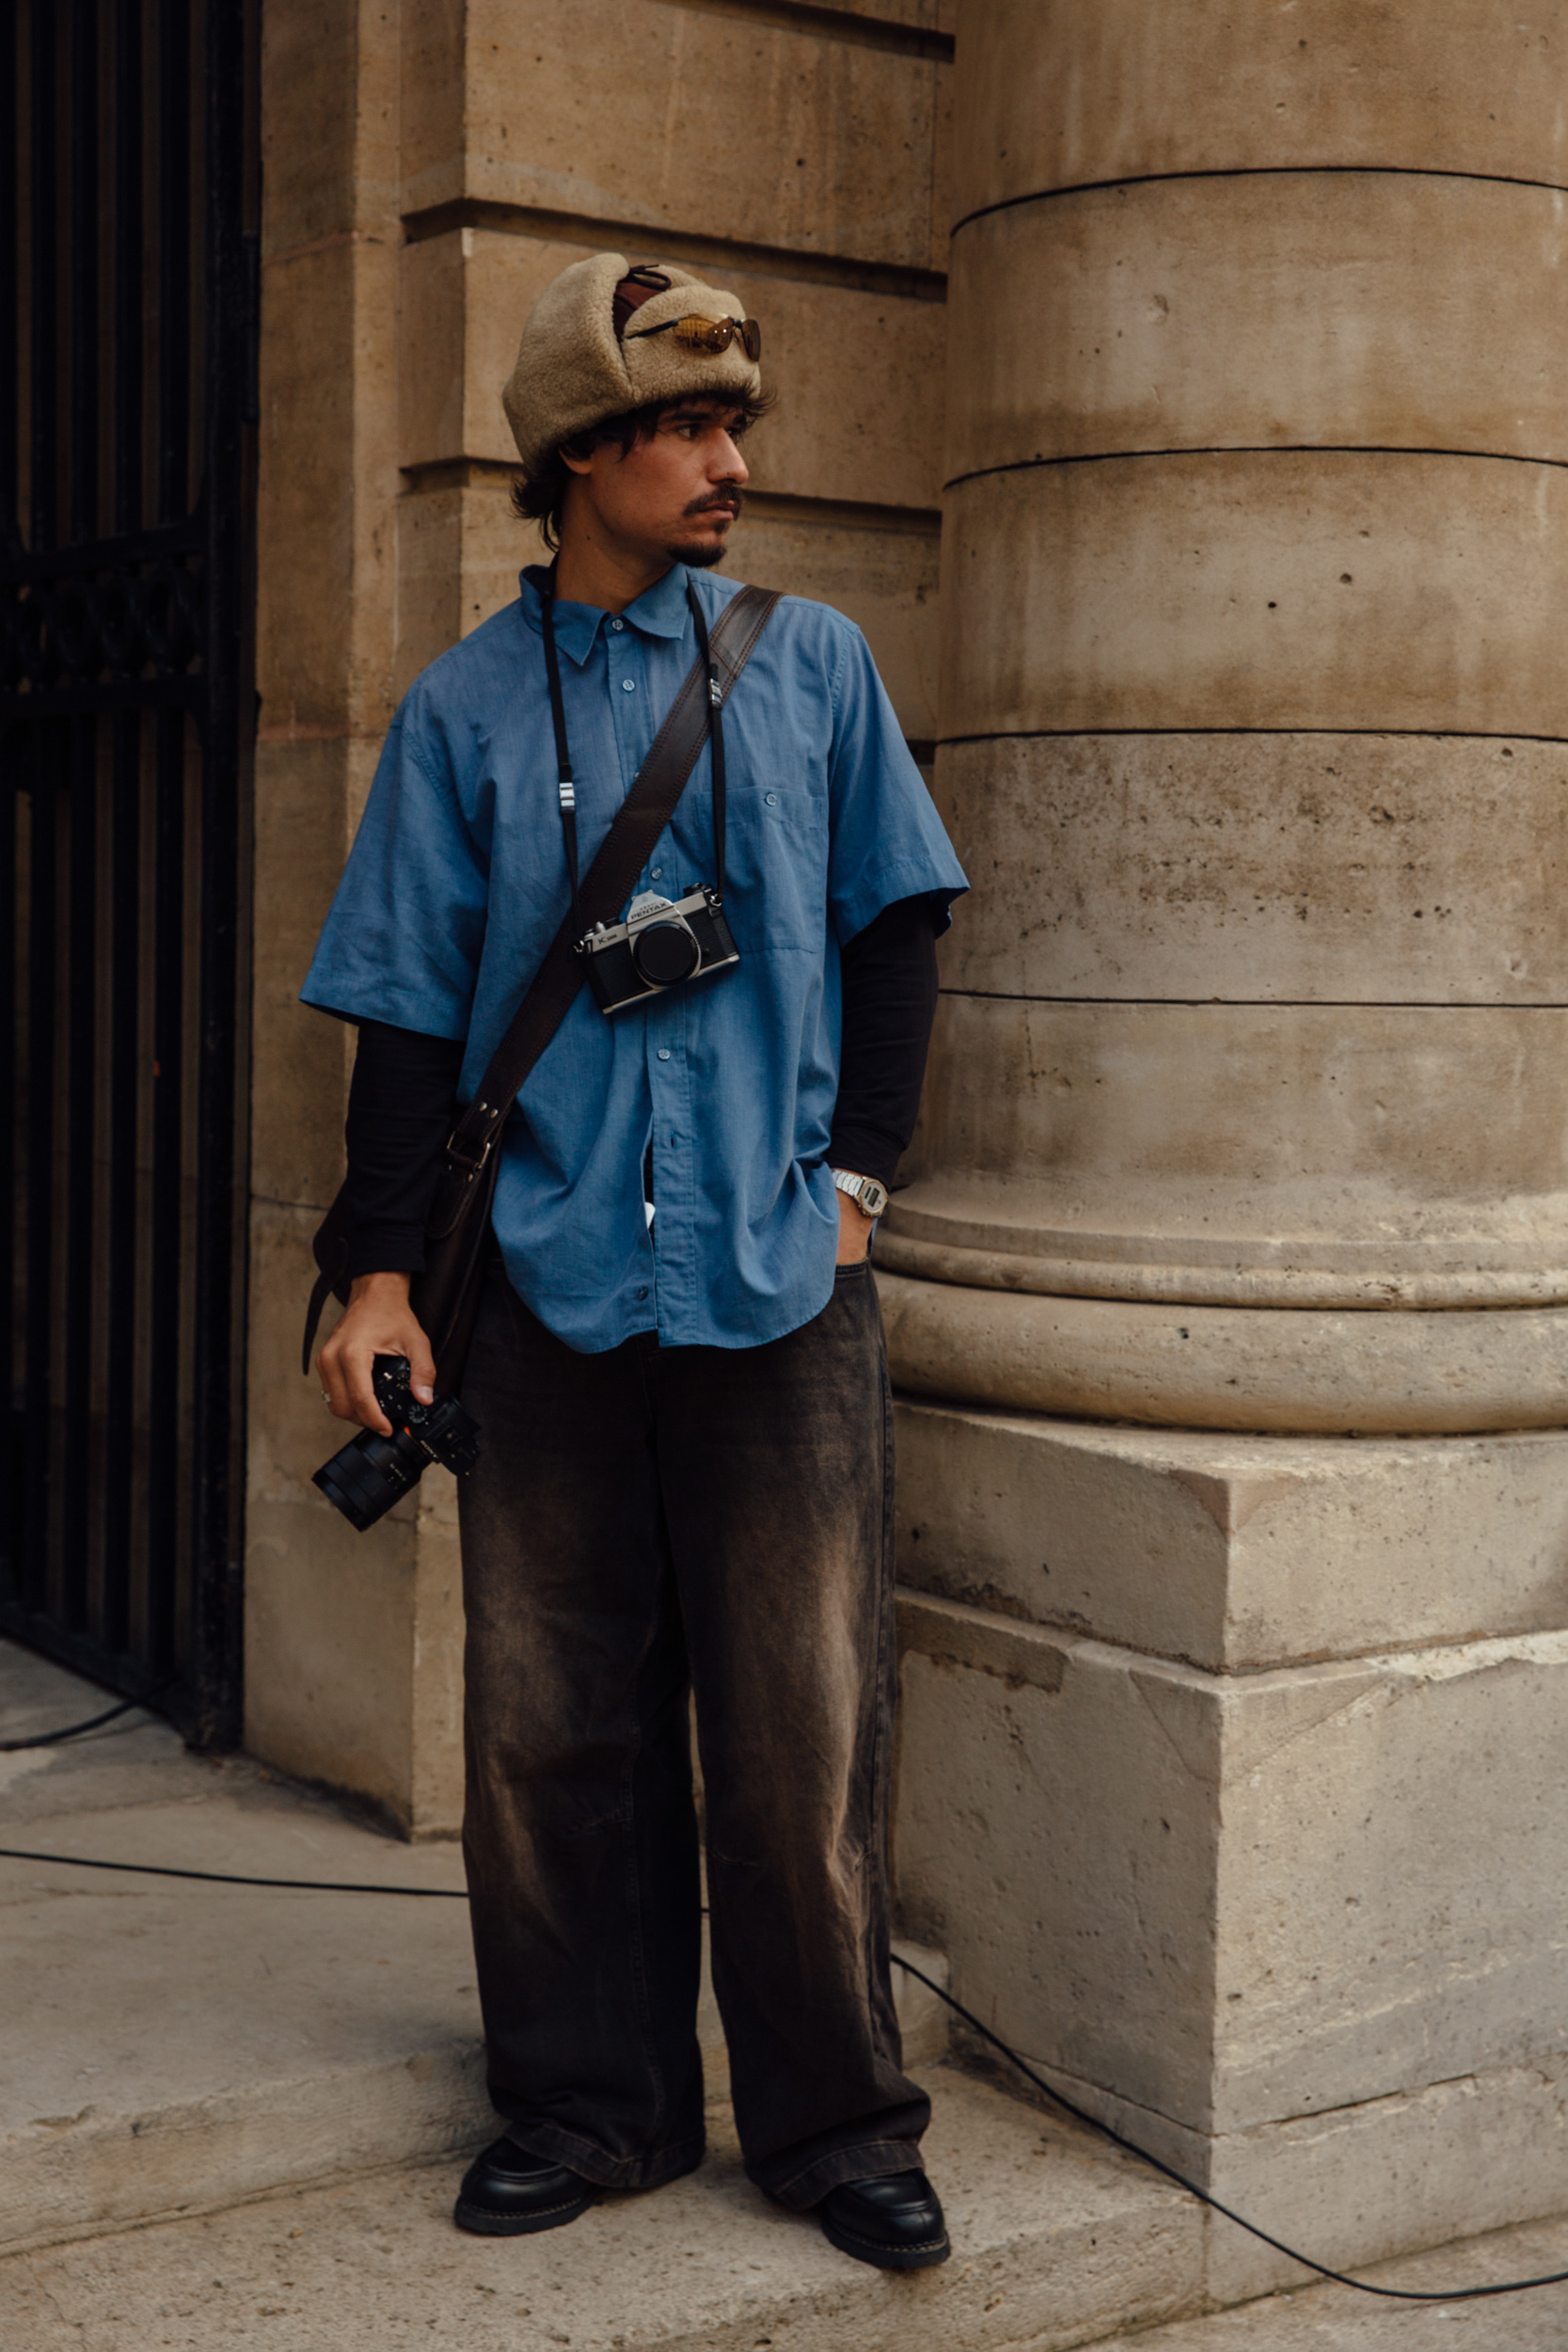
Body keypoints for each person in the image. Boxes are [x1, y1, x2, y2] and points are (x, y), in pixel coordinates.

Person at [302, 252, 966, 2270]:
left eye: (734, 422)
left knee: (803, 1716)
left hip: (776, 1277)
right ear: (577, 453)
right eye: (686, 424)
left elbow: (896, 927)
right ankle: (594, 2100)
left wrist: (858, 1187)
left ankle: (837, 2121)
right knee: (550, 1716)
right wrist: (379, 1271)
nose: (728, 459)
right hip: (555, 1276)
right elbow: (411, 1015)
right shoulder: (463, 709)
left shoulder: (815, 664)